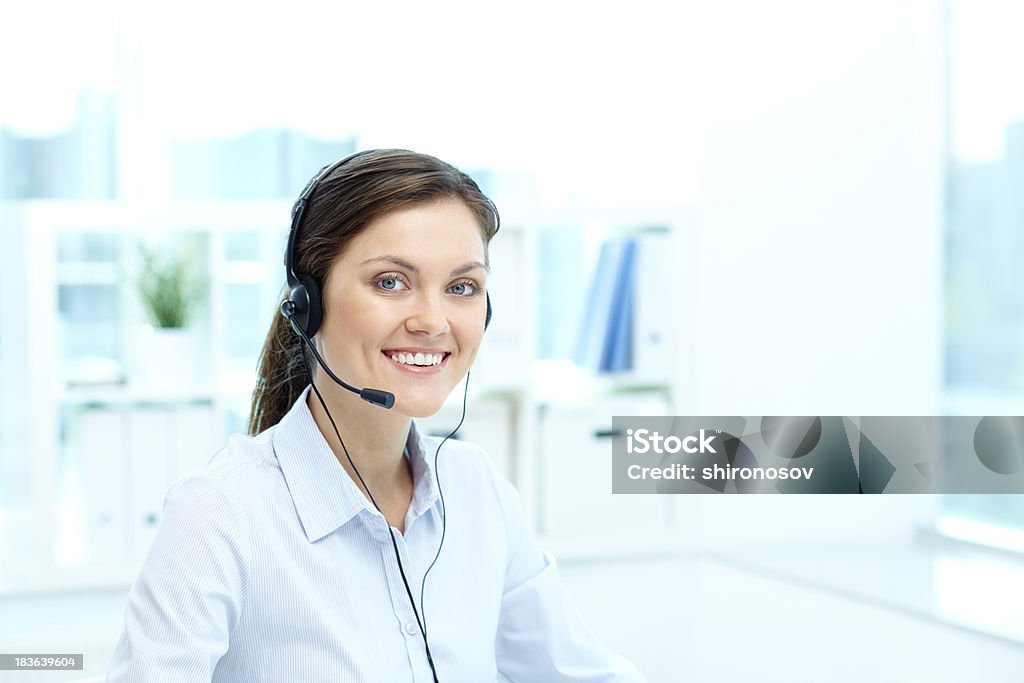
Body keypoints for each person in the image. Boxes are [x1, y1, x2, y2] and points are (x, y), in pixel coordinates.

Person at [107, 149, 646, 682]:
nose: (433, 321)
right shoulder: (223, 514)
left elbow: (580, 672)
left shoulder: (476, 489)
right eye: (391, 282)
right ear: (307, 305)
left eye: (462, 287)